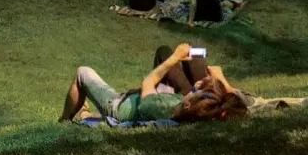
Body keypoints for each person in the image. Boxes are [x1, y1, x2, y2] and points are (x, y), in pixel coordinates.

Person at [58, 44, 249, 124]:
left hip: (118, 106)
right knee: (165, 53)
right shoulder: (199, 110)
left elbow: (148, 82)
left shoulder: (164, 107)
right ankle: (85, 113)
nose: (195, 87)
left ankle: (65, 120)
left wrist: (174, 58)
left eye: (197, 90)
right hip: (138, 101)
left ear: (189, 103)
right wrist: (200, 87)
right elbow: (237, 103)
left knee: (82, 72)